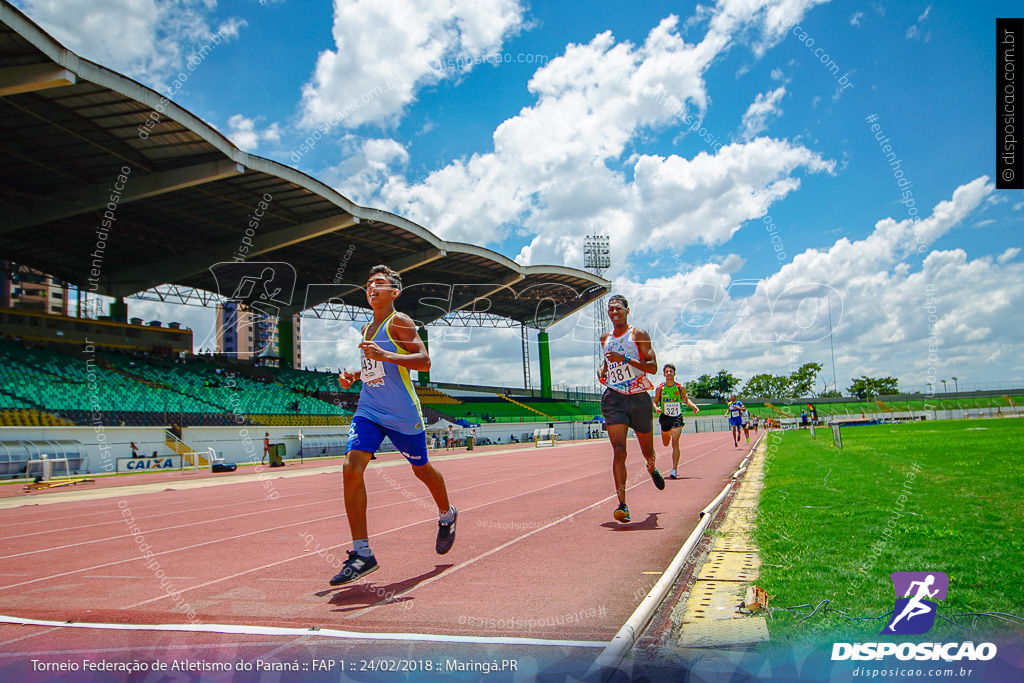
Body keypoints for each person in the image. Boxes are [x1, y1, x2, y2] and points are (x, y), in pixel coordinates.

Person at [330, 265, 457, 586]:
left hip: (402, 413)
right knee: (350, 467)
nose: (371, 287)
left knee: (422, 470)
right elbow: (372, 364)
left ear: (394, 292)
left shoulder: (400, 322)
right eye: (368, 283)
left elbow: (424, 361)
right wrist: (353, 374)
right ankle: (363, 553)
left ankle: (447, 514)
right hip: (369, 409)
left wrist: (385, 353)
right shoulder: (365, 328)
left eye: (379, 284)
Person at [598, 295, 662, 524]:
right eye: (610, 309)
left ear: (627, 310)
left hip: (639, 400)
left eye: (618, 309)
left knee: (648, 452)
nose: (614, 312)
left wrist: (625, 358)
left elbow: (653, 367)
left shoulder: (638, 335)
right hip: (614, 399)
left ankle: (652, 467)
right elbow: (608, 362)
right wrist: (603, 370)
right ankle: (622, 505)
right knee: (619, 451)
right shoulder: (605, 338)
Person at [652, 364, 699, 479]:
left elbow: (685, 400)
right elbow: (655, 402)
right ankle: (667, 433)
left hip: (677, 418)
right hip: (665, 418)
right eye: (667, 371)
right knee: (666, 443)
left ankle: (674, 469)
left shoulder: (680, 387)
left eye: (671, 371)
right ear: (664, 374)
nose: (669, 373)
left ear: (674, 373)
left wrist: (694, 407)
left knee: (675, 443)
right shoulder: (660, 388)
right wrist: (656, 408)